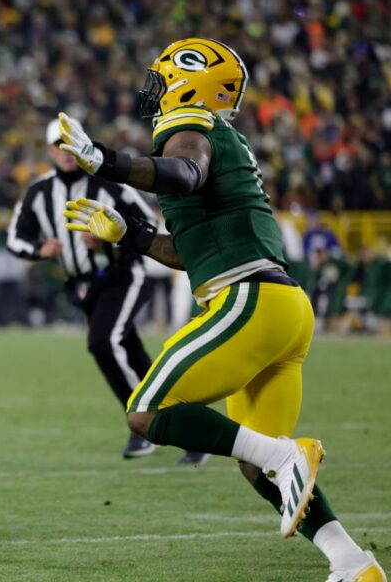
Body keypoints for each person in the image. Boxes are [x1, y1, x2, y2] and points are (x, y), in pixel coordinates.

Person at [57, 37, 385, 580]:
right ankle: (352, 562)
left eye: (161, 77)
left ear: (189, 82)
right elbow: (192, 250)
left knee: (148, 412)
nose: (153, 88)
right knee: (257, 465)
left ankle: (287, 457)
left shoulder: (189, 123)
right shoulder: (222, 137)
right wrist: (131, 235)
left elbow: (186, 173)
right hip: (283, 310)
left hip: (249, 302)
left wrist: (104, 162)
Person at [7, 119, 207, 466]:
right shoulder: (40, 192)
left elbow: (149, 223)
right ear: (50, 151)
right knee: (137, 358)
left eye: (70, 144)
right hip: (82, 286)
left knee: (102, 342)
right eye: (59, 145)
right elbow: (15, 238)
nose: (65, 153)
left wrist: (112, 234)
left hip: (122, 274)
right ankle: (193, 431)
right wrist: (40, 251)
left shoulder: (109, 184)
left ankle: (143, 423)